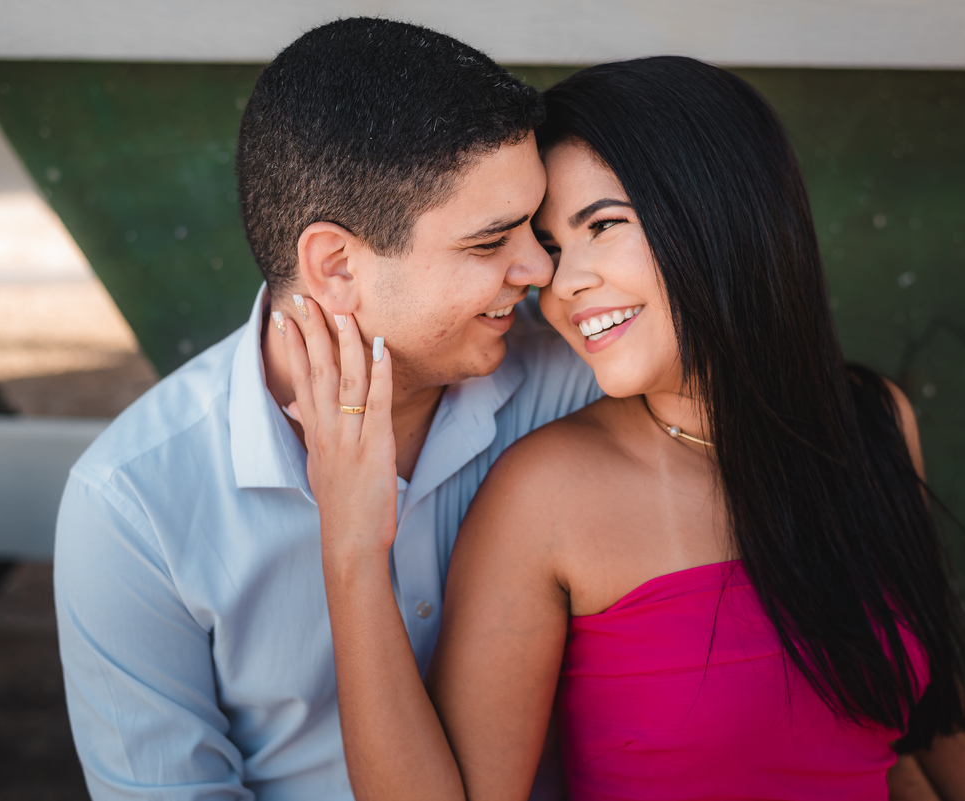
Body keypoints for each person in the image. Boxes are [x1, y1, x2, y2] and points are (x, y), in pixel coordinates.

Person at [285, 57, 965, 800]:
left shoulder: (874, 423)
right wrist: (352, 550)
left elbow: (934, 726)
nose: (559, 281)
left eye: (602, 226)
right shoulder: (547, 493)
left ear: (723, 212)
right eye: (551, 246)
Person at [53, 18, 602, 800]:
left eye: (535, 226)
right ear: (336, 265)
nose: (540, 268)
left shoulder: (574, 390)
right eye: (490, 243)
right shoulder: (135, 508)